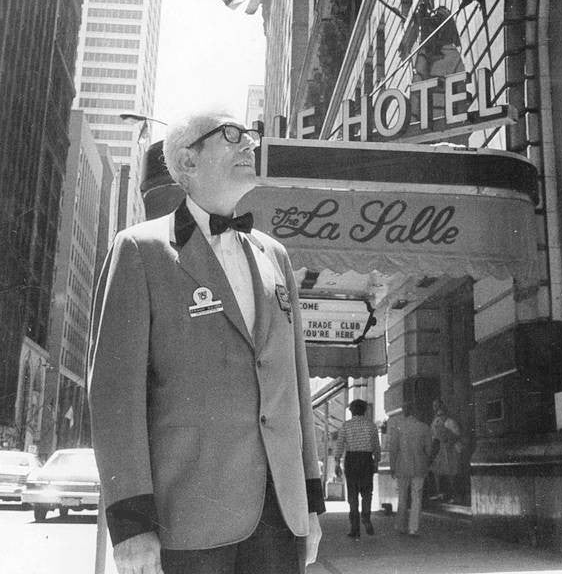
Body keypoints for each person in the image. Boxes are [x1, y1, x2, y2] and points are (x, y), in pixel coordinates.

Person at [88, 102, 324, 574]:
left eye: (250, 134)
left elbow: (295, 388)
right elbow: (116, 397)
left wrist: (311, 501)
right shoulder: (140, 249)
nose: (250, 143)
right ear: (188, 162)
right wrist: (132, 525)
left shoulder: (274, 254)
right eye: (231, 134)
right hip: (188, 517)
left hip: (280, 515)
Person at [334, 399, 380, 538]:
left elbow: (340, 445)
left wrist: (337, 462)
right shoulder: (371, 426)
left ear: (352, 411)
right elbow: (376, 446)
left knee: (352, 494)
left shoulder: (346, 426)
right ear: (365, 410)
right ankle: (366, 517)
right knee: (367, 492)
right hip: (366, 460)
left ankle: (355, 528)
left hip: (352, 460)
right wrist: (376, 461)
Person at [389, 406, 439, 536]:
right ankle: (413, 528)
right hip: (419, 467)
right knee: (416, 497)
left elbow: (393, 449)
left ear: (405, 413)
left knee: (402, 496)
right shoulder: (424, 427)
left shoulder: (398, 427)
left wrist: (392, 466)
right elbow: (428, 450)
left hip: (402, 467)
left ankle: (400, 525)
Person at [430, 398, 464, 503]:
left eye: (437, 406)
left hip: (452, 449)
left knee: (452, 473)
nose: (436, 408)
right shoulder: (435, 421)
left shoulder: (450, 421)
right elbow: (433, 436)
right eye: (434, 406)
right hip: (441, 449)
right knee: (440, 472)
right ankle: (443, 494)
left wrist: (448, 439)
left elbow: (457, 435)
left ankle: (456, 496)